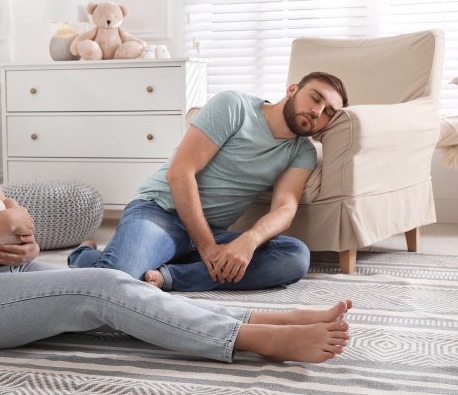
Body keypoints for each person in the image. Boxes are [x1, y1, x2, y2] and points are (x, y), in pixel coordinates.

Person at [0, 49, 351, 364]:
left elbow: (10, 220)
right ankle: (250, 341)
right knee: (101, 287)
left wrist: (24, 239)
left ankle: (263, 320)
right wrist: (2, 226)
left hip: (8, 278)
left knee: (116, 286)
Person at [69, 73, 349, 292]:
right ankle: (83, 256)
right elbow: (179, 173)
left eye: (327, 112)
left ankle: (169, 276)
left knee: (294, 256)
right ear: (292, 90)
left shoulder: (302, 152)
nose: (317, 111)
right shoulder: (234, 106)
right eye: (315, 98)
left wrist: (249, 241)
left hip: (213, 231)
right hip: (160, 213)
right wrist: (206, 247)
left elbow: (285, 208)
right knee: (113, 281)